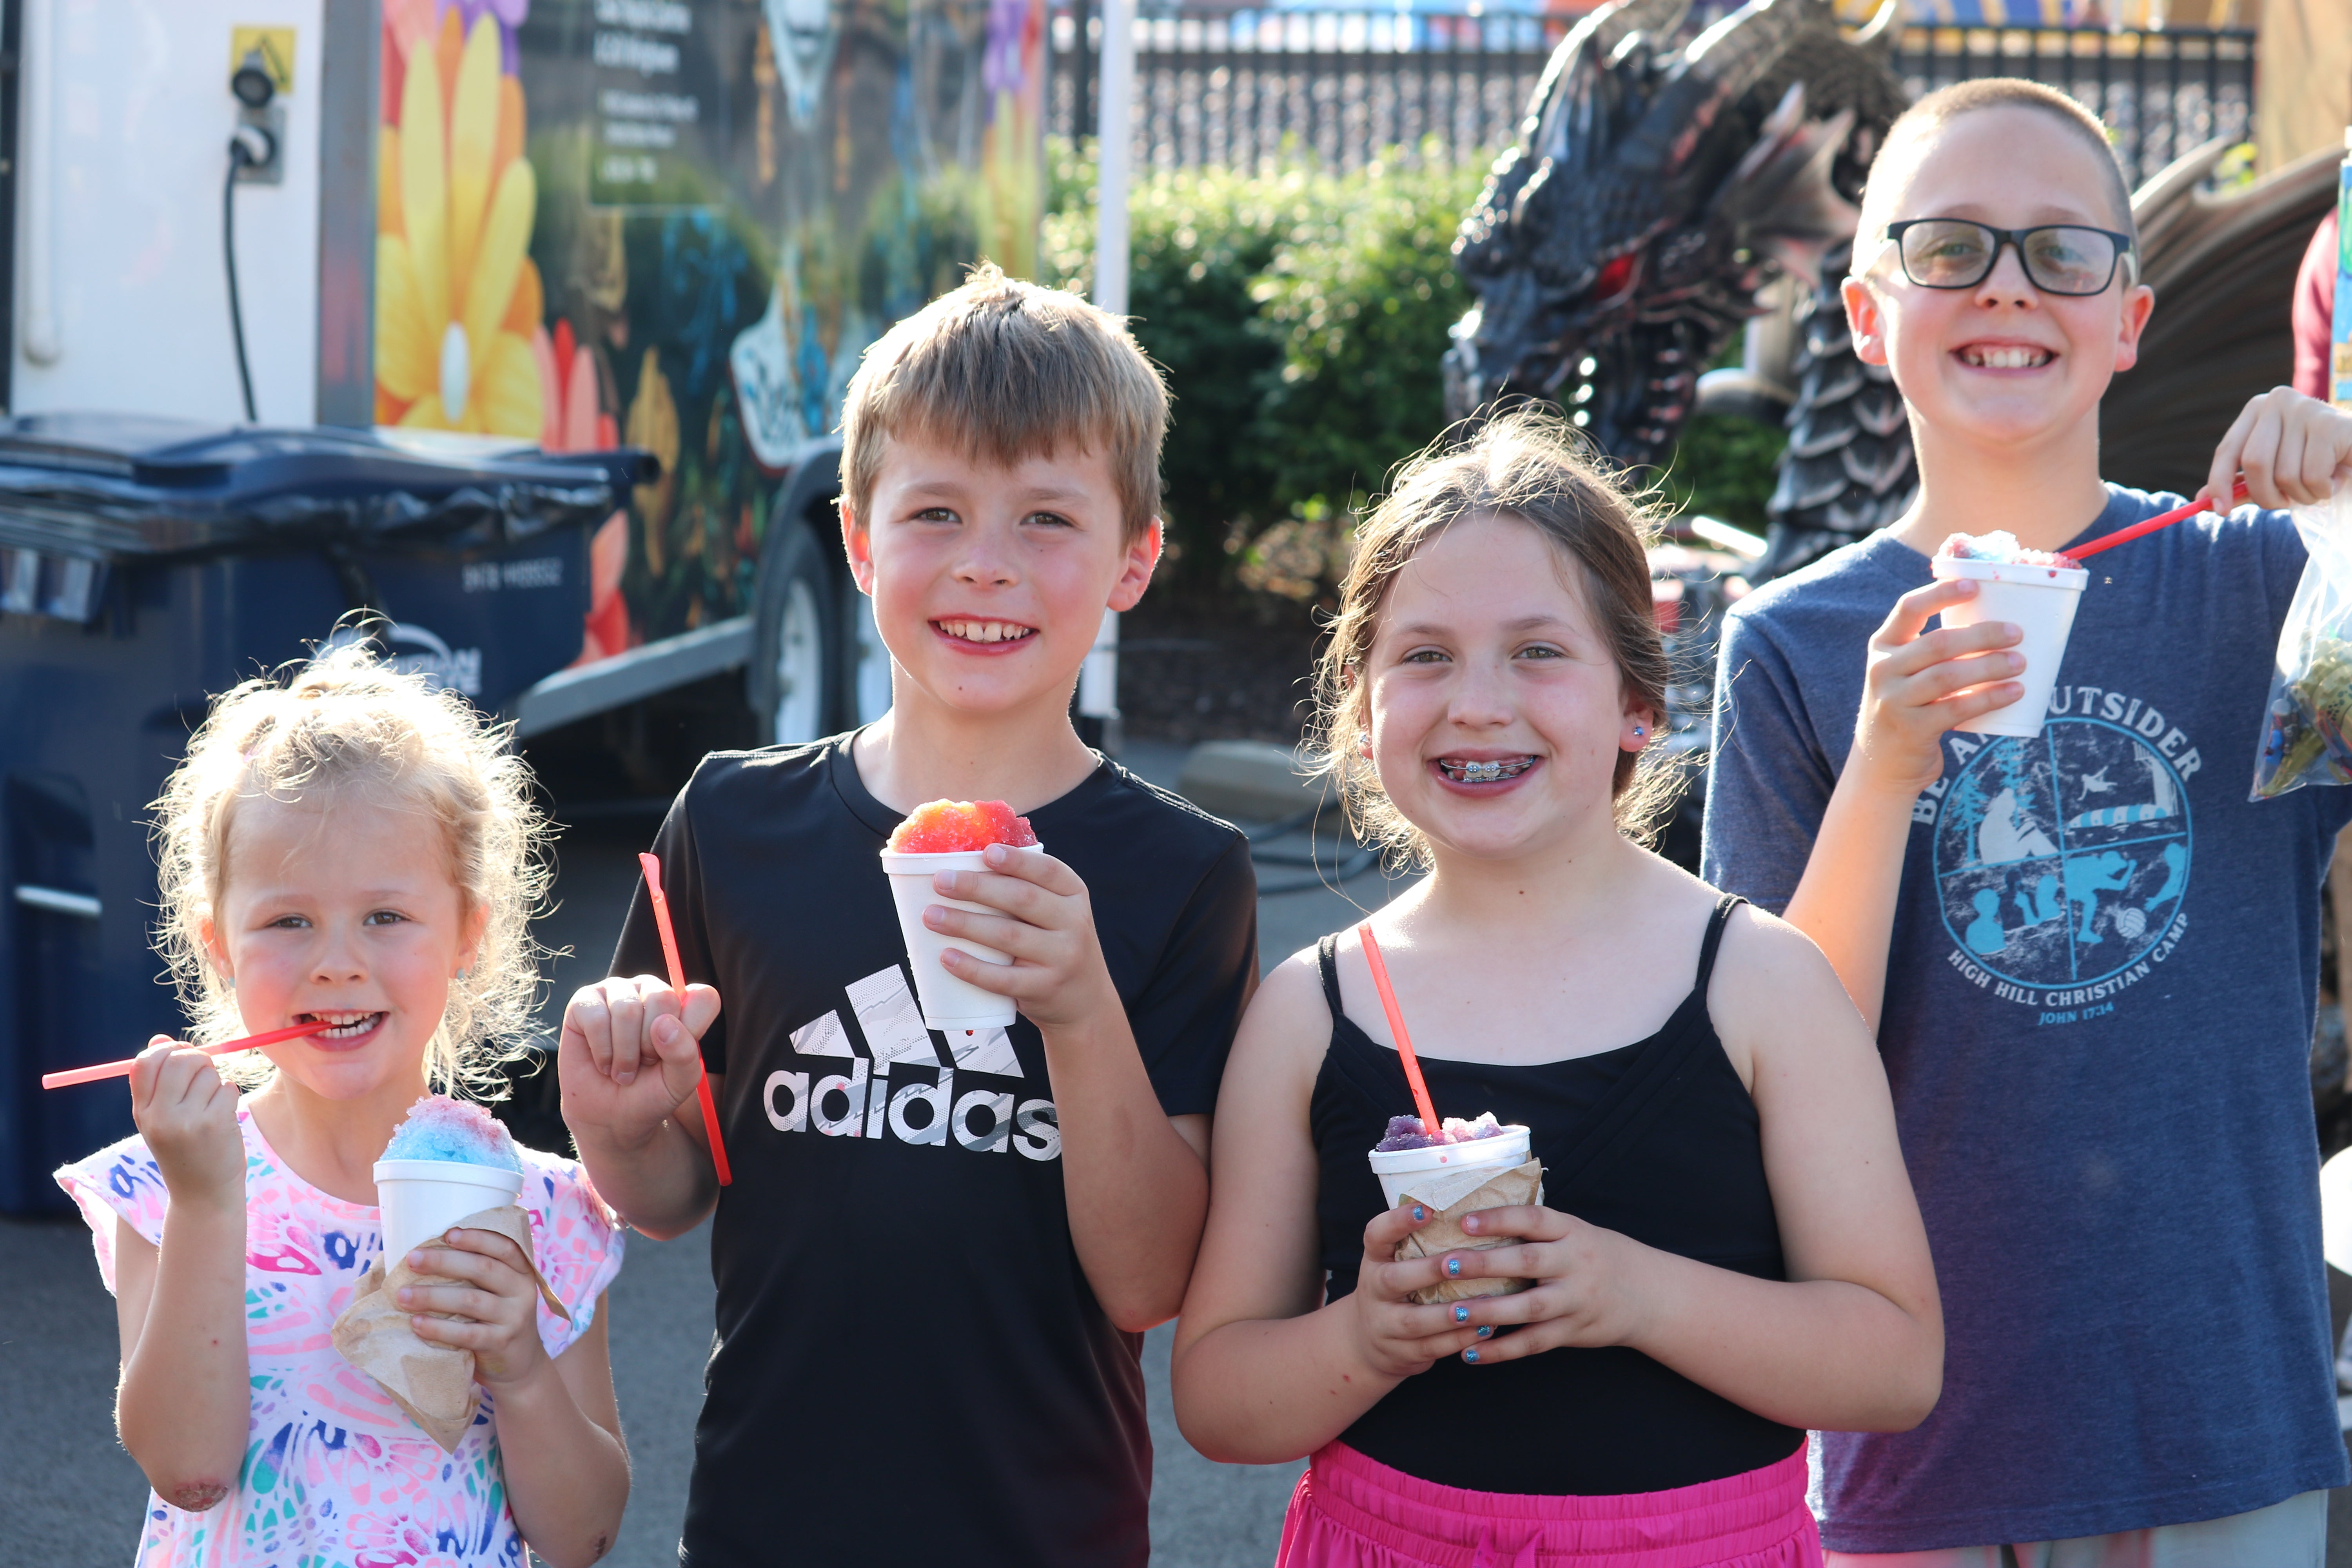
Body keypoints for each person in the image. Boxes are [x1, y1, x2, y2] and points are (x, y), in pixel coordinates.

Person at [1702, 76, 2352, 1566]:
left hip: (2220, 1399)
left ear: (2128, 318)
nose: (2009, 286)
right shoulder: (1795, 647)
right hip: (1915, 1403)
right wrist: (1881, 767)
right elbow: (1778, 1059)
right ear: (1868, 315)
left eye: (2064, 252)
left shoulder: (2268, 586)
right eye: (1951, 249)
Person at [556, 264, 1259, 1567]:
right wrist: (613, 1128)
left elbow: (1149, 1281)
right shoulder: (727, 827)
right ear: (861, 538)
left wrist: (1080, 1003)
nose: (985, 566)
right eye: (936, 511)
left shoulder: (1183, 875)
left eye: (1048, 519)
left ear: (1135, 559)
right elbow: (674, 1195)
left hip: (1044, 1530)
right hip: (764, 1520)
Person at [1172, 410, 1942, 1568]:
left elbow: (1894, 1364)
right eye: (1423, 655)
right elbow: (1220, 1399)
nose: (1477, 701)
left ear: (1641, 703)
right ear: (1364, 705)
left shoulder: (1764, 982)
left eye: (1538, 651)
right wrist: (1372, 1337)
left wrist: (1631, 1294)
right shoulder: (1308, 1012)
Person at [53, 643, 628, 1568]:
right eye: (288, 920)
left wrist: (518, 1363)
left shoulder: (548, 1211)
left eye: (386, 916)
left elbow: (583, 1535)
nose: (337, 961)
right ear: (219, 944)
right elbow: (189, 1468)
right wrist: (207, 1201)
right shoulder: (170, 1184)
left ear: (467, 932)